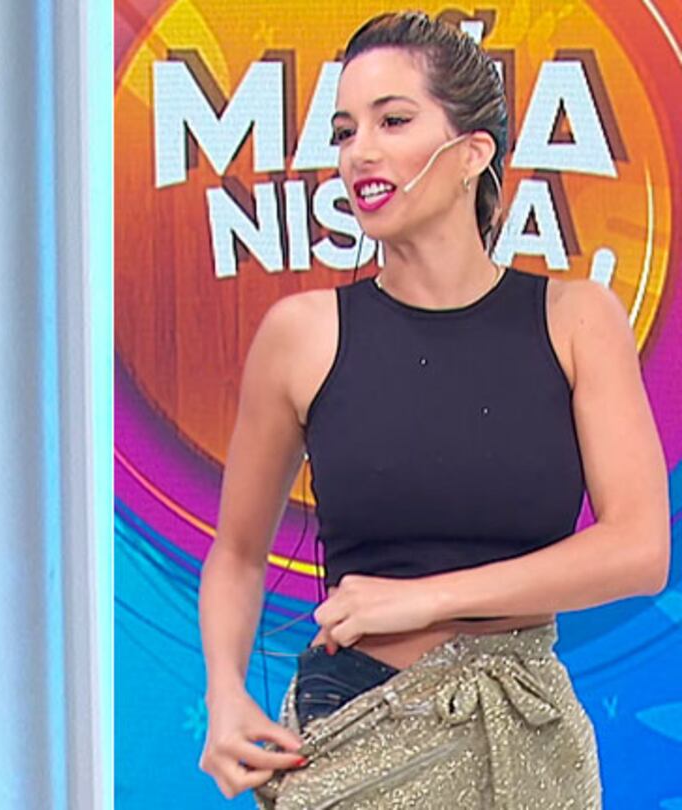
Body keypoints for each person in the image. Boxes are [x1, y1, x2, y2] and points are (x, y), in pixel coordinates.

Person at [196, 11, 668, 808]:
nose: (359, 153)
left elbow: (638, 548)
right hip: (355, 733)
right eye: (344, 132)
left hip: (527, 740)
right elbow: (238, 556)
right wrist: (224, 694)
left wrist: (428, 597)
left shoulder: (577, 319)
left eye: (393, 121)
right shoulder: (301, 336)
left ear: (472, 153)